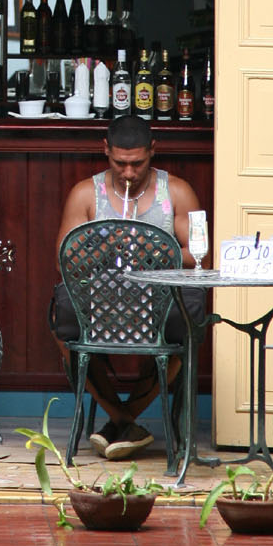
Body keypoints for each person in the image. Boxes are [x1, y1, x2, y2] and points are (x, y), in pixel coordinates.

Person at [52, 114, 206, 460]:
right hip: (103, 299)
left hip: (161, 301)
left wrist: (155, 251)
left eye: (138, 163)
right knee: (64, 317)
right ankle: (124, 419)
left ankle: (120, 421)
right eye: (119, 163)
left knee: (189, 320)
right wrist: (102, 247)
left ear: (153, 151)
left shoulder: (177, 192)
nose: (128, 173)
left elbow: (199, 257)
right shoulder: (85, 194)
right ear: (105, 150)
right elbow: (64, 260)